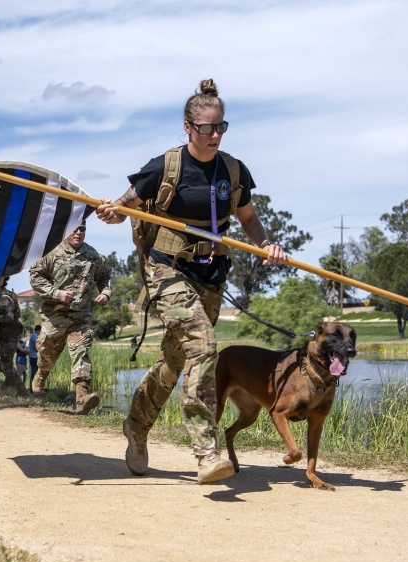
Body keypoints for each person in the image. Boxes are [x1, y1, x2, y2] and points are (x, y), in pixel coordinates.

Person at [95, 78, 288, 484]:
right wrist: (113, 212)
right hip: (166, 268)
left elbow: (248, 216)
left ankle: (136, 425)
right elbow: (125, 203)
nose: (214, 135)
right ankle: (206, 451)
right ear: (188, 127)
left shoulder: (233, 170)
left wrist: (267, 243)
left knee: (175, 360)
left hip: (211, 275)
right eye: (206, 128)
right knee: (203, 344)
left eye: (221, 127)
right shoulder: (166, 166)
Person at [29, 223, 111, 414]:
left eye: (83, 229)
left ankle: (81, 398)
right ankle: (41, 373)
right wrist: (56, 293)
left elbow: (105, 276)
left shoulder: (93, 255)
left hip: (80, 316)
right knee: (48, 352)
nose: (79, 232)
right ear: (66, 230)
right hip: (54, 315)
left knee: (81, 350)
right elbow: (35, 277)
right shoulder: (51, 252)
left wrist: (106, 293)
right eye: (75, 228)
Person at [0, 277, 29, 396]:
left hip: (9, 335)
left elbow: (10, 317)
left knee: (6, 363)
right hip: (1, 334)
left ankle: (21, 388)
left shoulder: (4, 297)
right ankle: (9, 377)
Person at [28, 324, 40, 390]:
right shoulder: (35, 336)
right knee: (34, 373)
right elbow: (36, 347)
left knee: (34, 372)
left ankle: (32, 388)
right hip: (34, 357)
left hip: (32, 357)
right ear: (39, 330)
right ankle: (32, 388)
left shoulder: (33, 336)